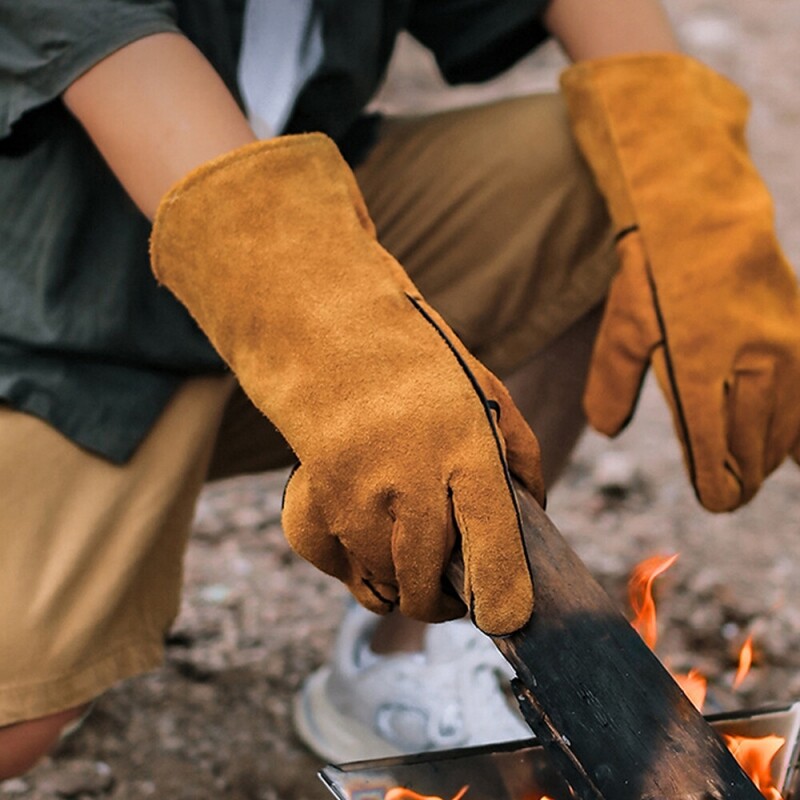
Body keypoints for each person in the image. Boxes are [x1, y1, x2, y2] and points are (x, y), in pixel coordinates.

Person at [2, 0, 799, 779]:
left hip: (308, 250)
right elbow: (146, 94)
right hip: (63, 325)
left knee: (622, 171)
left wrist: (687, 176)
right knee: (16, 727)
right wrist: (355, 354)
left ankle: (411, 656)